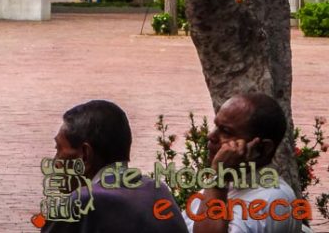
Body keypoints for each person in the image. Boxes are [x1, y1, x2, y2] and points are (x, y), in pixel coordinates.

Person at [43, 100, 187, 232]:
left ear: (85, 155)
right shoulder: (158, 191)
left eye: (59, 149)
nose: (55, 162)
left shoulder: (82, 202)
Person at [182, 93, 304, 233]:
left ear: (262, 149)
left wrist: (218, 181)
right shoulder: (228, 186)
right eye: (216, 126)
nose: (211, 136)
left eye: (226, 131)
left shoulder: (273, 201)